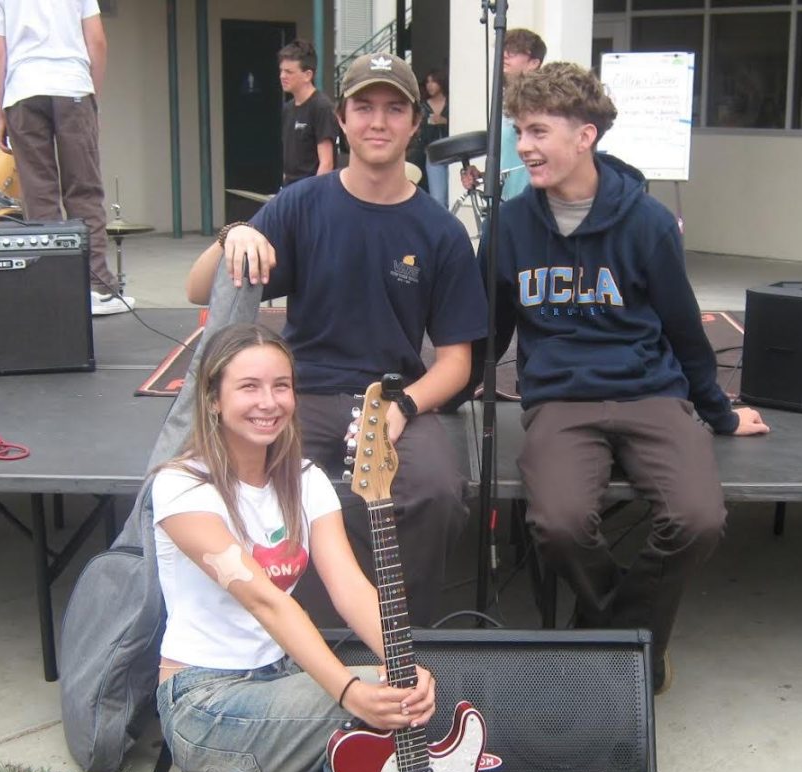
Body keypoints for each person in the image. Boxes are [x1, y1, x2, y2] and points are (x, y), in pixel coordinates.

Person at [486, 62, 770, 693]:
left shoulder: (646, 223)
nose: (524, 147)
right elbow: (494, 328)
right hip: (561, 400)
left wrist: (720, 413)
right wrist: (433, 396)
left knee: (697, 518)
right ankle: (634, 639)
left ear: (585, 135)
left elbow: (683, 330)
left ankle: (613, 632)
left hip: (650, 393)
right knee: (557, 524)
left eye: (538, 131)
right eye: (519, 131)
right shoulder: (509, 225)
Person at [185, 52, 487, 623]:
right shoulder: (301, 206)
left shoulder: (440, 231)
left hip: (392, 395)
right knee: (270, 487)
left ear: (415, 124)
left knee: (439, 493)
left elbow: (456, 363)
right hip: (302, 393)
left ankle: (404, 642)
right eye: (364, 107)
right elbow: (198, 290)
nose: (379, 122)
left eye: (395, 109)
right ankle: (303, 635)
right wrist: (234, 236)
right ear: (342, 120)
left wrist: (404, 405)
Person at [154, 321, 435, 772]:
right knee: (360, 721)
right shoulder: (182, 488)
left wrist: (403, 667)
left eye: (281, 386)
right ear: (213, 397)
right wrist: (349, 691)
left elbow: (350, 587)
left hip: (278, 685)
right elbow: (263, 600)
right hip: (204, 702)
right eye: (249, 387)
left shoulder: (305, 480)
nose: (269, 402)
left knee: (386, 731)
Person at [0, 0, 132, 316]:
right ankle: (97, 285)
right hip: (73, 85)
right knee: (84, 190)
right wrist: (92, 99)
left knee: (39, 194)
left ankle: (53, 284)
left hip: (23, 90)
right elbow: (97, 41)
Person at [461, 28, 546, 203]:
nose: (505, 55)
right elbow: (510, 162)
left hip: (531, 206)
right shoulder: (504, 99)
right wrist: (483, 176)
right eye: (504, 49)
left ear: (534, 62)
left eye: (514, 52)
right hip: (503, 207)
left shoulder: (543, 102)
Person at [278, 40, 340, 187]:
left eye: (289, 72)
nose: (282, 76)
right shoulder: (288, 109)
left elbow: (327, 163)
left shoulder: (321, 107)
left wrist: (311, 198)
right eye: (281, 70)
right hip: (289, 191)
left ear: (307, 75)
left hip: (310, 193)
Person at [419, 68, 450, 207]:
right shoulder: (423, 106)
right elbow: (419, 131)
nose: (429, 85)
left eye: (433, 82)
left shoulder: (452, 102)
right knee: (438, 198)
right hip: (433, 154)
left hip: (454, 152)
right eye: (427, 82)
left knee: (455, 194)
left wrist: (445, 121)